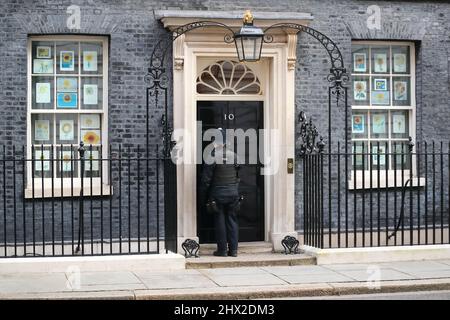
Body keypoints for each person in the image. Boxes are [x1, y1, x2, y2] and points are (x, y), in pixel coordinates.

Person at [199, 128, 241, 257]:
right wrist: (234, 189)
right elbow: (238, 175)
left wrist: (202, 197)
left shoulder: (211, 157)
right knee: (232, 221)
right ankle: (233, 250)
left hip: (218, 194)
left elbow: (206, 180)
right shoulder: (234, 156)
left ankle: (222, 250)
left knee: (220, 221)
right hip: (233, 193)